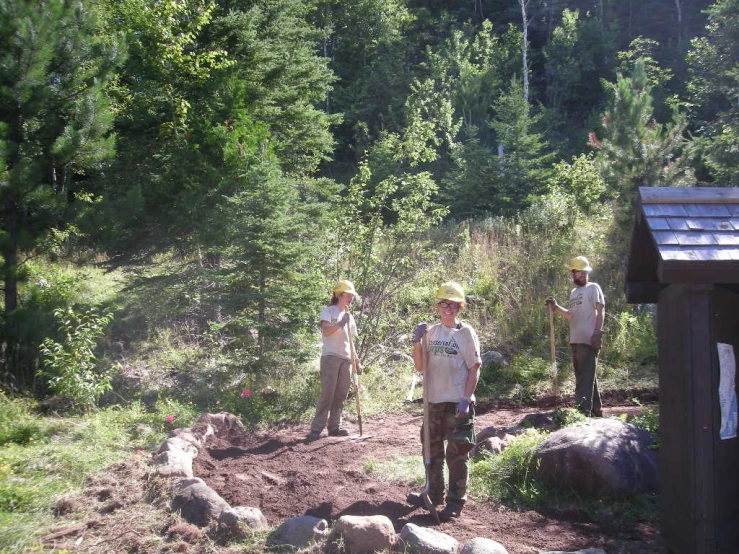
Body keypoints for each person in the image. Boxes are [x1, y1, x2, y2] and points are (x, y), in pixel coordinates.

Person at [407, 281, 482, 522]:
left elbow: (474, 367)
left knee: (458, 455)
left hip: (457, 403)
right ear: (438, 306)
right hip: (434, 403)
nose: (448, 308)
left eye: (453, 304)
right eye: (444, 304)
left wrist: (467, 396)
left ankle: (455, 502)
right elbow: (420, 366)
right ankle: (433, 492)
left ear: (460, 307)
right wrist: (417, 341)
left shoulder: (466, 333)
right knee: (432, 451)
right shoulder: (431, 333)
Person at [546, 256, 605, 417]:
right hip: (576, 340)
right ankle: (596, 411)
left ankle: (582, 413)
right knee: (585, 376)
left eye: (581, 272)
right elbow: (571, 315)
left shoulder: (593, 288)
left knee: (584, 379)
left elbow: (600, 310)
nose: (578, 275)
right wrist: (556, 307)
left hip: (589, 340)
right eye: (576, 272)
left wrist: (598, 332)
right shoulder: (574, 293)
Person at [307, 280, 361, 442]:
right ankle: (316, 429)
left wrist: (357, 361)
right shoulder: (328, 312)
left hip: (346, 360)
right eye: (349, 294)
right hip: (330, 358)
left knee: (340, 395)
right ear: (340, 294)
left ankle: (334, 427)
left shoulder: (350, 317)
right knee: (327, 394)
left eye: (352, 295)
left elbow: (350, 342)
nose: (351, 297)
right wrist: (339, 323)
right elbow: (326, 332)